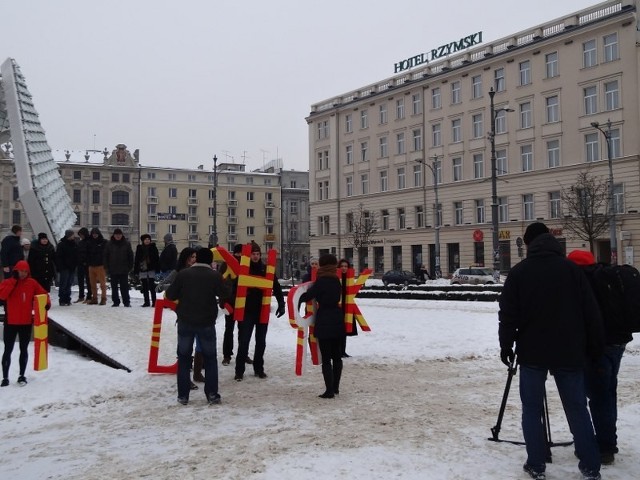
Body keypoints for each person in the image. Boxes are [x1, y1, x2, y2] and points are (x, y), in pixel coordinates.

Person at [499, 222, 604, 480]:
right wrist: (595, 347)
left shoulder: (520, 272)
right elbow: (590, 312)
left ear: (529, 243)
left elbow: (508, 314)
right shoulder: (571, 270)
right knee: (577, 408)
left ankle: (536, 464)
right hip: (569, 351)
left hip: (532, 352)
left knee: (531, 410)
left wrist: (506, 345)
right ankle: (590, 466)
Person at [568, 249, 633, 465]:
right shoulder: (606, 276)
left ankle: (605, 448)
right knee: (608, 392)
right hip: (618, 343)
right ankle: (606, 441)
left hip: (600, 347)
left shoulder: (584, 283)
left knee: (599, 397)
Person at [164, 247, 229, 406]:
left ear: (197, 258)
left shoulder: (183, 274)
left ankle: (183, 396)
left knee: (184, 358)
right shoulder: (215, 276)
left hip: (185, 321)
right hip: (206, 323)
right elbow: (225, 294)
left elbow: (170, 295)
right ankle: (212, 394)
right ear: (210, 260)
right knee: (210, 359)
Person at [234, 242, 286, 381]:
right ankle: (239, 371)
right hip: (246, 311)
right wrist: (231, 304)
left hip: (262, 310)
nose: (255, 256)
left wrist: (281, 304)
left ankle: (259, 369)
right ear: (249, 255)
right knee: (244, 341)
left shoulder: (266, 269)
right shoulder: (244, 269)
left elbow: (276, 287)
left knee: (261, 342)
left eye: (257, 254)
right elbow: (235, 288)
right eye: (253, 254)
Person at [298, 254, 345, 398]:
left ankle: (329, 390)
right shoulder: (336, 280)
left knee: (326, 358)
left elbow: (308, 296)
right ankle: (336, 387)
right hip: (337, 318)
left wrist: (298, 296)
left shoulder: (321, 280)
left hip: (324, 317)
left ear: (322, 265)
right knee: (337, 356)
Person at [0, 260, 50, 386]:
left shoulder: (31, 283)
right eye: (20, 271)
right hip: (10, 321)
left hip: (26, 322)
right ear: (15, 271)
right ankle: (5, 377)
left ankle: (22, 375)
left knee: (24, 349)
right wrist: (14, 281)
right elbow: (2, 296)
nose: (22, 274)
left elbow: (43, 293)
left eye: (25, 271)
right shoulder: (8, 282)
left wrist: (47, 303)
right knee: (8, 349)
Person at [220, 244, 253, 366]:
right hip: (230, 301)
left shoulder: (246, 264)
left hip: (242, 302)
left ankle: (242, 354)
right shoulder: (227, 264)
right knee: (230, 329)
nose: (239, 255)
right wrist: (223, 301)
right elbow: (221, 282)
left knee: (242, 330)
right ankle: (227, 355)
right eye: (238, 253)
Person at [104, 228, 134, 308]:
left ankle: (126, 302)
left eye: (119, 234)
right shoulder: (109, 244)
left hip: (124, 269)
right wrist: (107, 268)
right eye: (116, 235)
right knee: (114, 287)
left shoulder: (127, 244)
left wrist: (130, 267)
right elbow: (106, 257)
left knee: (124, 287)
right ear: (114, 235)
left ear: (122, 235)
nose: (118, 236)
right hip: (113, 269)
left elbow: (130, 256)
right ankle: (116, 302)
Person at [133, 234, 160, 307]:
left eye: (148, 239)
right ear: (143, 241)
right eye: (145, 239)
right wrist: (136, 270)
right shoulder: (139, 248)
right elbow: (137, 259)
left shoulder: (153, 247)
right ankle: (146, 302)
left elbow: (157, 259)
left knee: (152, 286)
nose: (147, 241)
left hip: (151, 268)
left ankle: (154, 302)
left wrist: (157, 269)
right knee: (144, 286)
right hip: (142, 268)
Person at [338, 258, 356, 358]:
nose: (344, 268)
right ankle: (337, 351)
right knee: (338, 330)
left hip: (347, 307)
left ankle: (343, 351)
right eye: (342, 266)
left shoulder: (350, 278)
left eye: (346, 266)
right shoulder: (336, 278)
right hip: (338, 307)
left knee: (344, 330)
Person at [55, 230, 78, 307]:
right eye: (72, 235)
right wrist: (61, 266)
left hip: (71, 267)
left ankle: (67, 299)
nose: (73, 236)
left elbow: (76, 255)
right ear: (68, 235)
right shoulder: (62, 245)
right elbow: (58, 257)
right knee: (63, 284)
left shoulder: (74, 244)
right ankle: (62, 299)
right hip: (64, 268)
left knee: (69, 284)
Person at [87, 227, 108, 305]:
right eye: (93, 234)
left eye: (96, 234)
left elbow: (106, 253)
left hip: (100, 265)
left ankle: (103, 298)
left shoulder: (103, 242)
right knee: (92, 284)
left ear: (98, 234)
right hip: (91, 265)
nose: (95, 235)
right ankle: (94, 298)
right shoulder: (89, 242)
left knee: (102, 283)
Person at [75, 227, 92, 304]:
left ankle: (89, 296)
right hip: (80, 264)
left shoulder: (89, 242)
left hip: (87, 264)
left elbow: (89, 253)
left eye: (81, 235)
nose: (80, 236)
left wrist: (86, 261)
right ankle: (81, 296)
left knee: (89, 281)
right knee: (80, 281)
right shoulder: (80, 242)